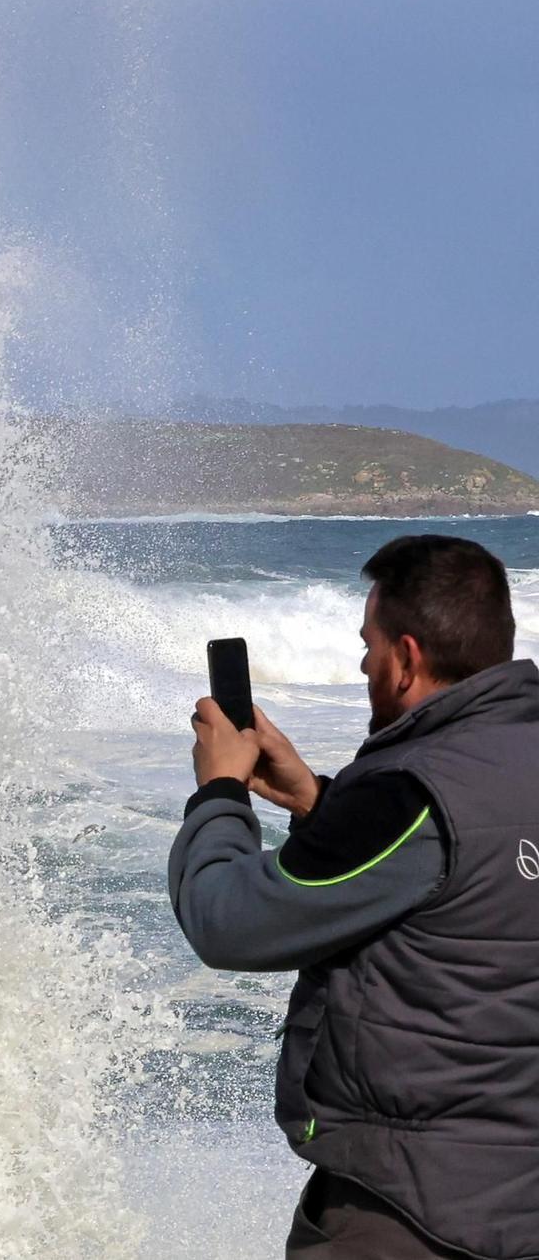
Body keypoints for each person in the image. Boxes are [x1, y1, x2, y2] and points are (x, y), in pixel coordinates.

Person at [169, 534, 539, 1259]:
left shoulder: (410, 793)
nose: (363, 663)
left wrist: (218, 790)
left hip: (410, 1212)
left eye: (368, 645)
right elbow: (469, 873)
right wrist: (317, 801)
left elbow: (229, 920)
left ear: (406, 657)